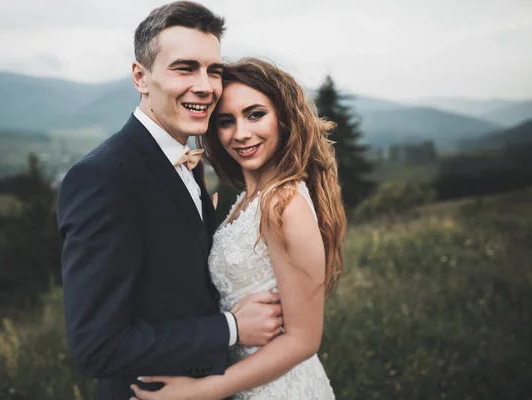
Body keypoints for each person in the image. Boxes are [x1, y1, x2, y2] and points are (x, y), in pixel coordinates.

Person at [56, 4, 284, 399]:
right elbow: (97, 346)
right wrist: (231, 327)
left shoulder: (188, 159)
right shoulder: (103, 178)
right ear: (140, 77)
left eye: (214, 70)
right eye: (185, 68)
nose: (206, 86)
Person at [131, 58, 347, 400]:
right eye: (226, 121)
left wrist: (202, 391)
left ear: (283, 118)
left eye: (255, 114)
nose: (241, 133)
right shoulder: (247, 200)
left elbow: (303, 340)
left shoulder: (283, 203)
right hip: (245, 382)